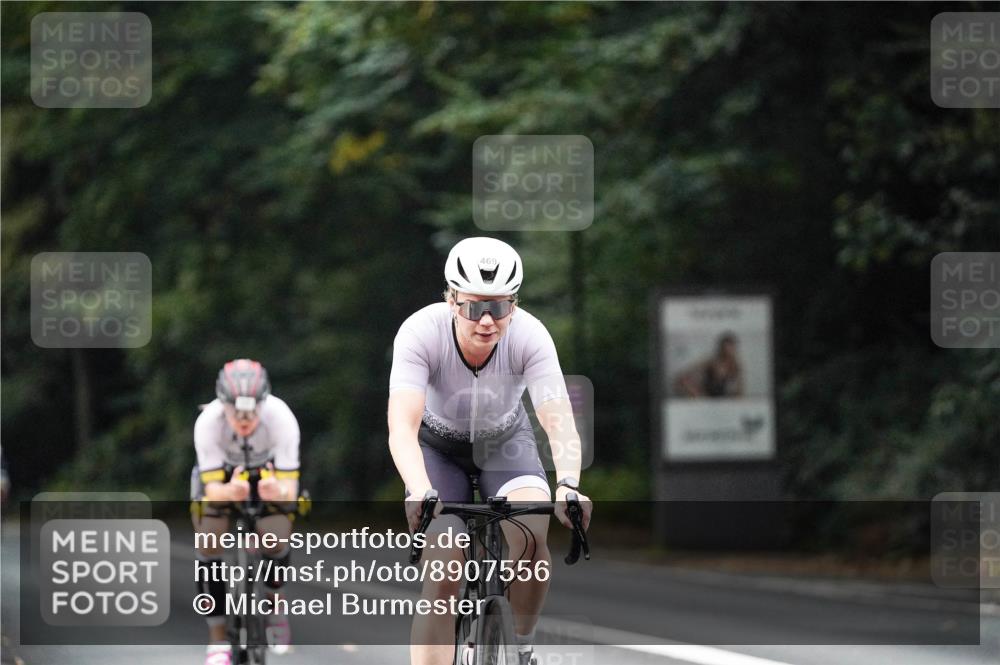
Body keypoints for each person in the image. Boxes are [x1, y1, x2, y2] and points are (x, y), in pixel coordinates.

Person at [387, 237, 593, 665]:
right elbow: (402, 427)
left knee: (533, 535)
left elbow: (558, 422)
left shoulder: (531, 335)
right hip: (439, 449)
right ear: (451, 299)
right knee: (443, 568)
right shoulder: (419, 333)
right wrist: (418, 489)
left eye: (499, 307)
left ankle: (523, 643)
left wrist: (569, 484)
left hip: (506, 444)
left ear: (513, 306)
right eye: (473, 306)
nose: (486, 320)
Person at [191, 359, 301, 665]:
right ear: (221, 405)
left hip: (268, 478)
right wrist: (229, 492)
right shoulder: (208, 422)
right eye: (236, 412)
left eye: (252, 412)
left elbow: (289, 491)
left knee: (277, 535)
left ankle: (274, 603)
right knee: (208, 540)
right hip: (223, 479)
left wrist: (276, 493)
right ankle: (217, 640)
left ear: (263, 404)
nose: (244, 419)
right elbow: (212, 491)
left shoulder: (281, 418)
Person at [674, 331, 744, 398]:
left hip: (722, 399)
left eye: (731, 348)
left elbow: (739, 389)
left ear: (734, 349)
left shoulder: (735, 365)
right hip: (706, 397)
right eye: (725, 348)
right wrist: (696, 393)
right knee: (683, 381)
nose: (728, 351)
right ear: (721, 348)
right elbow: (683, 376)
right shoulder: (711, 362)